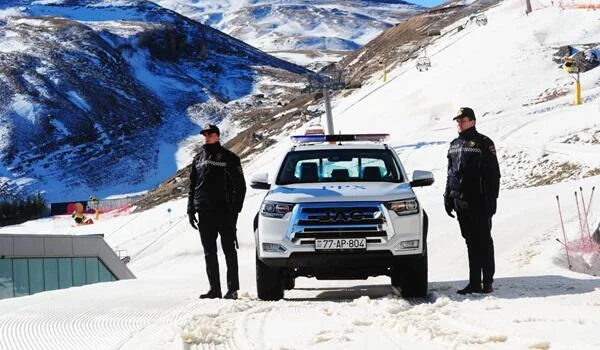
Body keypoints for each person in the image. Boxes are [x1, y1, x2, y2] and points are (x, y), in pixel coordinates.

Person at [444, 107, 501, 295]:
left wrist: (492, 199)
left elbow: (494, 174)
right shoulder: (454, 144)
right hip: (460, 201)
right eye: (458, 120)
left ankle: (488, 281)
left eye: (463, 120)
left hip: (479, 200)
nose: (459, 123)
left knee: (483, 240)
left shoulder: (484, 143)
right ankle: (474, 281)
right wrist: (448, 196)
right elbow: (450, 172)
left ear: (473, 121)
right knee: (470, 241)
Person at [187, 123, 247, 300]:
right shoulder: (198, 158)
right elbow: (192, 186)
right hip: (204, 212)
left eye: (210, 133)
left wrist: (235, 209)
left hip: (224, 211)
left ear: (218, 136)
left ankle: (232, 289)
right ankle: (214, 289)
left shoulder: (229, 157)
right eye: (205, 134)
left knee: (229, 249)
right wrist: (191, 209)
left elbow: (240, 185)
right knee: (209, 252)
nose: (207, 136)